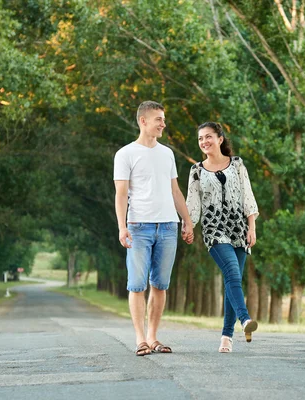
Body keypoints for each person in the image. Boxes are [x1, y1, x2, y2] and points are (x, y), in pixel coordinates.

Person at [114, 100, 194, 356]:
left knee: (160, 284)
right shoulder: (125, 154)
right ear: (143, 121)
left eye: (163, 119)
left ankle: (153, 337)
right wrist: (122, 227)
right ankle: (140, 339)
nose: (163, 124)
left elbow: (175, 190)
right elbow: (121, 193)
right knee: (137, 285)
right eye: (159, 119)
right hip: (138, 227)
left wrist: (187, 219)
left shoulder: (167, 153)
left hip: (168, 226)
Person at [185, 122, 259, 353]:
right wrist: (188, 226)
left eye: (208, 137)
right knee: (232, 273)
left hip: (238, 227)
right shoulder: (196, 170)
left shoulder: (236, 164)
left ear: (219, 139)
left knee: (232, 280)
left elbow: (247, 194)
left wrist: (252, 226)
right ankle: (245, 320)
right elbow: (192, 201)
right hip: (214, 229)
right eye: (200, 138)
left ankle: (226, 337)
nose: (204, 141)